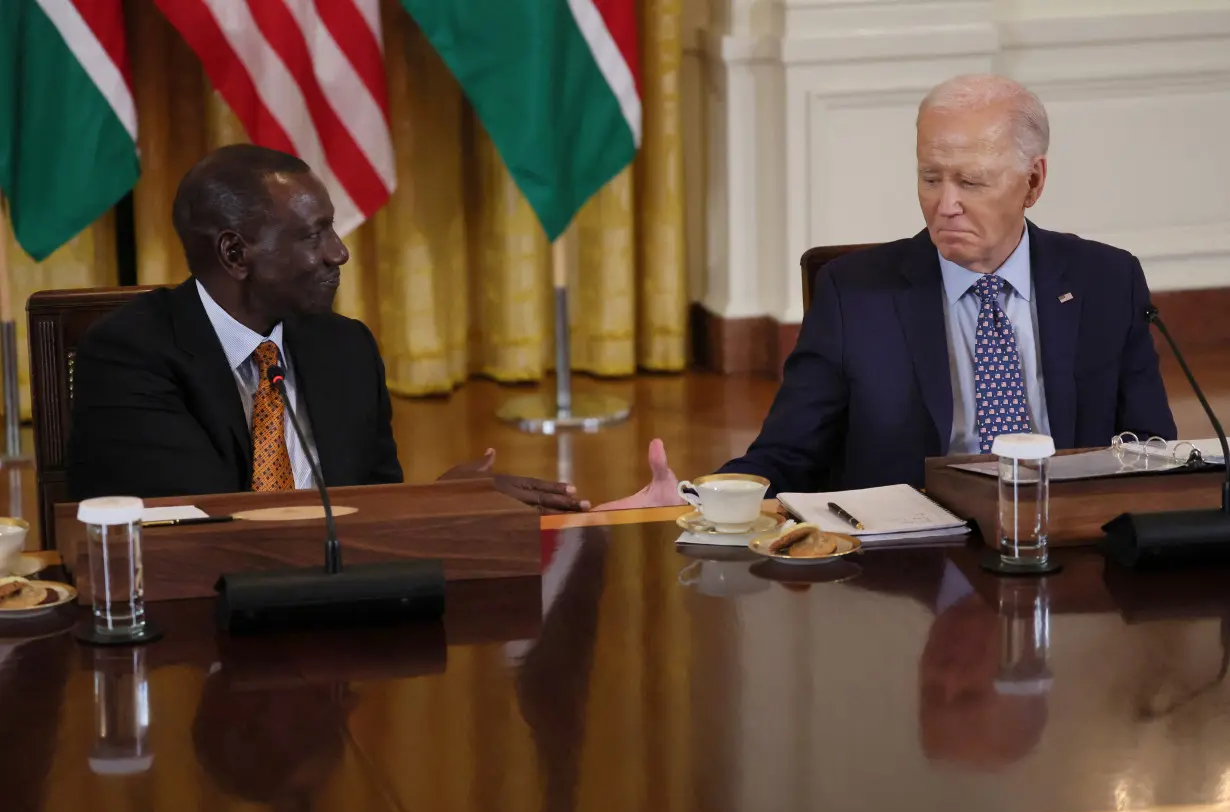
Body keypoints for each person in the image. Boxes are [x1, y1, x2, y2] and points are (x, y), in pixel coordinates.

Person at [609, 74, 1176, 505]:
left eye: (970, 182)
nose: (944, 204)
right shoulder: (853, 295)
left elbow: (1151, 450)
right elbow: (788, 454)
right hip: (914, 573)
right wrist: (700, 501)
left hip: (1069, 555)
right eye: (931, 178)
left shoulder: (1106, 281)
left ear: (1033, 182)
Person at [68, 144, 588, 513]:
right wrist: (424, 503)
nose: (338, 253)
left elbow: (373, 511)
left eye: (331, 228)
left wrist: (438, 503)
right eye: (312, 235)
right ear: (235, 253)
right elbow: (212, 525)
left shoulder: (346, 348)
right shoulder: (127, 357)